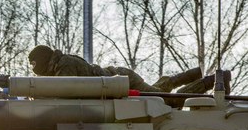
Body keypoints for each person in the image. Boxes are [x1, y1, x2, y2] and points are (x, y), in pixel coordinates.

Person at [28, 44, 206, 93]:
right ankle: (194, 74)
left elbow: (64, 91)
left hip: (122, 81)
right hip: (118, 80)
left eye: (34, 64)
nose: (34, 69)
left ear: (43, 60)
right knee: (158, 92)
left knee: (164, 100)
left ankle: (206, 82)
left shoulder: (64, 65)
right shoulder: (60, 65)